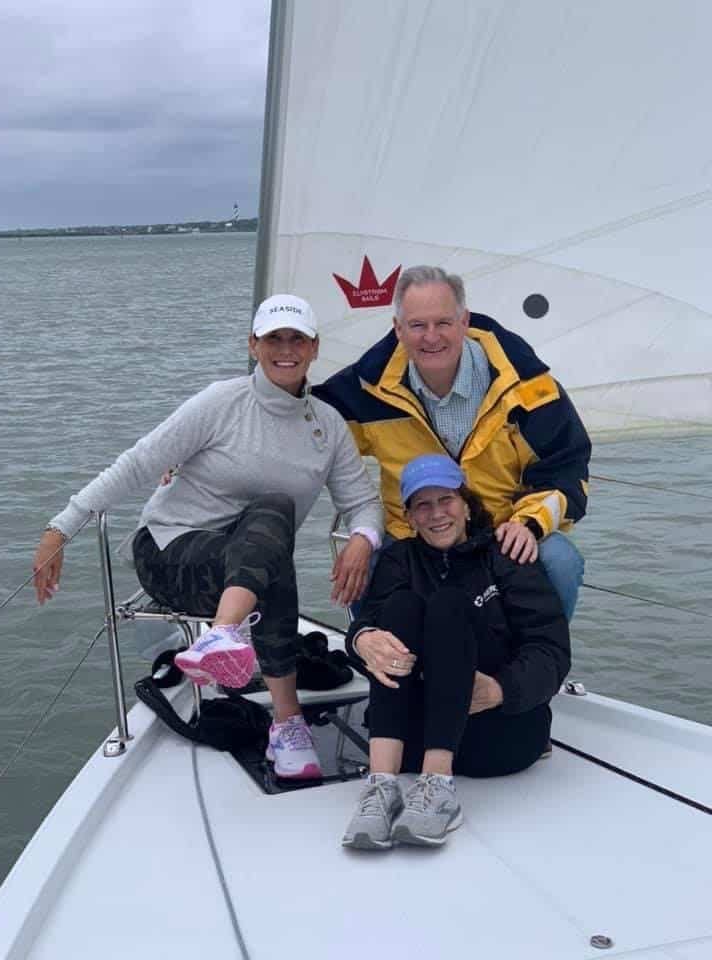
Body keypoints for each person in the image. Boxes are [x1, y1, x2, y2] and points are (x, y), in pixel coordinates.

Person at [33, 294, 383, 780]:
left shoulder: (326, 426)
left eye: (296, 339)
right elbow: (139, 463)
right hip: (172, 553)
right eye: (273, 339)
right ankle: (278, 710)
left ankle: (233, 646)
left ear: (314, 347)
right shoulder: (222, 402)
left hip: (247, 573)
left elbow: (363, 501)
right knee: (275, 518)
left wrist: (363, 539)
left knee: (270, 543)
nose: (286, 349)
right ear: (253, 344)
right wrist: (61, 527)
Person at [314, 265, 591, 620]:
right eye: (417, 325)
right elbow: (308, 431)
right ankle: (384, 664)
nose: (431, 337)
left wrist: (528, 524)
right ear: (398, 329)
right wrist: (363, 531)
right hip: (414, 532)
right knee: (362, 570)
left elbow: (567, 470)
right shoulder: (365, 388)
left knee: (560, 560)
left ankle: (542, 664)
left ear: (464, 321)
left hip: (502, 531)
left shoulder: (528, 387)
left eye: (443, 323)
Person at [341, 453, 570, 850]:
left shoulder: (503, 555)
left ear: (467, 505)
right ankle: (381, 785)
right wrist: (362, 638)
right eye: (422, 505)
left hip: (497, 736)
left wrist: (500, 689)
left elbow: (550, 648)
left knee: (448, 604)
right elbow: (369, 620)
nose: (436, 514)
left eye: (445, 500)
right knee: (400, 607)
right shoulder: (401, 558)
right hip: (411, 741)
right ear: (409, 517)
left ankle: (438, 785)